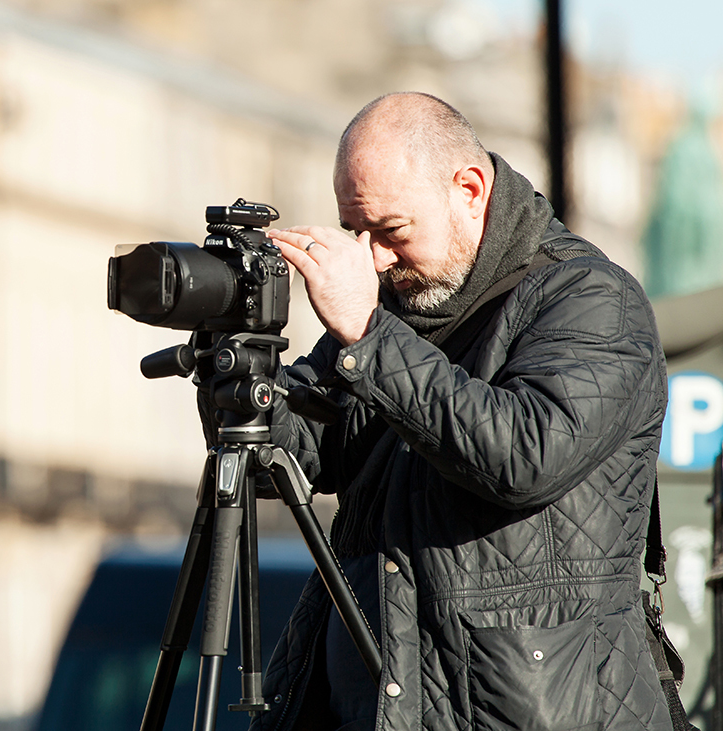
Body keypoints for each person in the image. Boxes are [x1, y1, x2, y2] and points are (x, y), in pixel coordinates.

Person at [243, 92, 672, 731]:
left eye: (392, 231)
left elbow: (526, 454)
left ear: (469, 190)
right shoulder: (396, 308)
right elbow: (298, 450)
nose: (375, 258)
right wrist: (240, 370)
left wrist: (367, 334)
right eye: (356, 234)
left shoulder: (591, 300)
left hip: (536, 710)